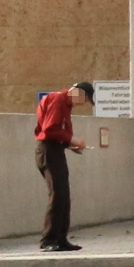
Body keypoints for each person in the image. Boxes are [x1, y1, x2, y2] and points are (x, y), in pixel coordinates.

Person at [34, 78, 92, 252]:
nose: (82, 103)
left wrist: (71, 145)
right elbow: (50, 129)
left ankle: (60, 238)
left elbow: (57, 132)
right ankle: (49, 239)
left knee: (64, 195)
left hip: (55, 149)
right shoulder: (59, 99)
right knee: (57, 194)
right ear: (78, 92)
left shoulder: (65, 104)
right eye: (84, 99)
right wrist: (72, 140)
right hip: (48, 151)